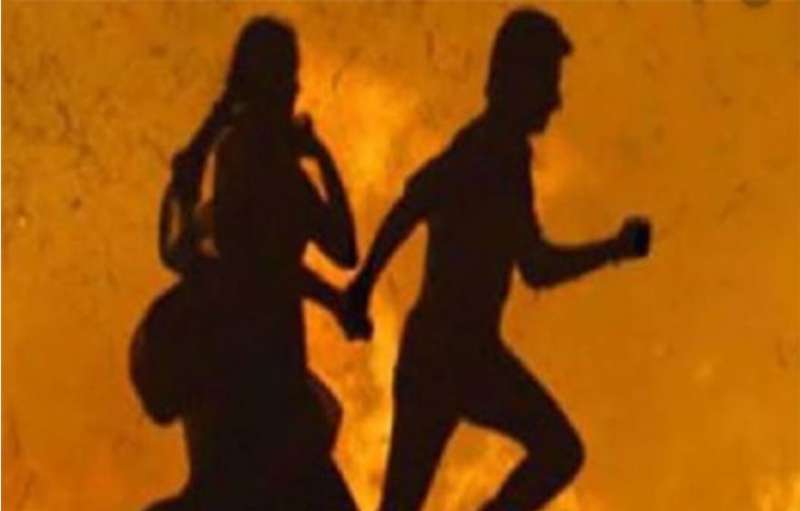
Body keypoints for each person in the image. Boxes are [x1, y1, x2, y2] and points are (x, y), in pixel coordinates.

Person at [344, 9, 651, 511]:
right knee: (558, 452)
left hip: (463, 354)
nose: (555, 100)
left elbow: (522, 260)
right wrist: (362, 287)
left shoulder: (501, 152)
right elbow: (421, 207)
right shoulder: (487, 152)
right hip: (446, 354)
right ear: (518, 79)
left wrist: (363, 286)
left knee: (558, 452)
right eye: (548, 82)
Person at [131, 17, 360, 510]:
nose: (296, 89)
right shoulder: (242, 155)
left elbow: (344, 248)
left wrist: (320, 156)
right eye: (288, 76)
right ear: (267, 82)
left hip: (272, 356)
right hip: (248, 359)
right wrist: (333, 299)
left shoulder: (276, 164)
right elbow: (258, 263)